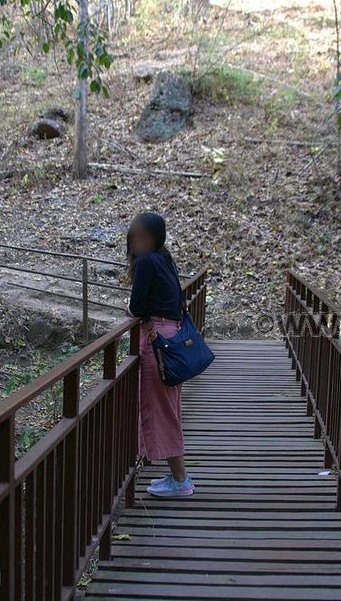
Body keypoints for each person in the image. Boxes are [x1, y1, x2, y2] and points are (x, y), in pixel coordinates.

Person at [126, 212, 194, 498]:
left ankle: (181, 481)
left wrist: (129, 307)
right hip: (172, 339)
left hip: (156, 342)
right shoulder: (165, 259)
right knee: (169, 408)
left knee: (163, 412)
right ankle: (176, 477)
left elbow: (139, 307)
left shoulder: (145, 262)